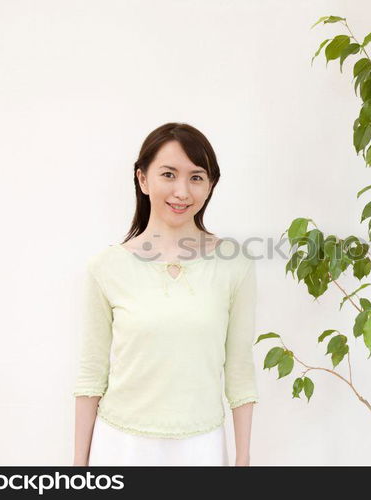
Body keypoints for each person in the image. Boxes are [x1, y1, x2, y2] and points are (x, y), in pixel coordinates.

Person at [72, 122, 259, 466]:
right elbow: (91, 375)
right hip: (120, 446)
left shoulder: (235, 266)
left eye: (196, 177)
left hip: (201, 445)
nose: (182, 191)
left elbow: (239, 371)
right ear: (143, 179)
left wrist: (243, 459)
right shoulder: (106, 267)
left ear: (211, 185)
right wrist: (78, 467)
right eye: (169, 174)